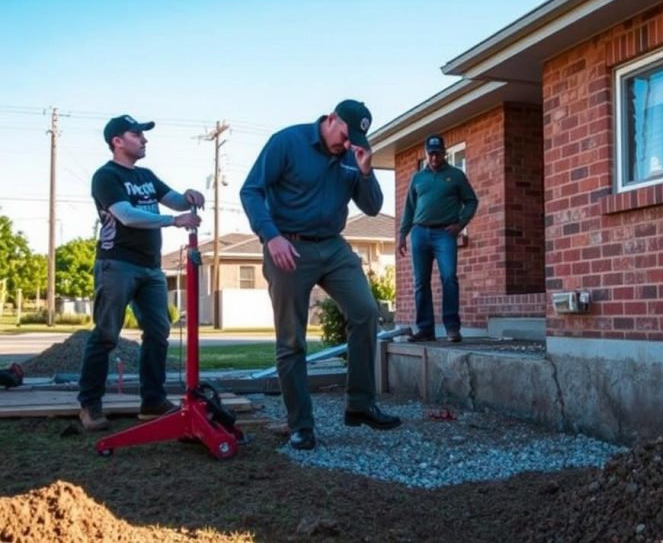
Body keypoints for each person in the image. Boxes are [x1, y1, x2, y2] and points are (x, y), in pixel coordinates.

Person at [240, 99, 401, 451]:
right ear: (331, 119)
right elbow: (250, 190)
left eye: (354, 139)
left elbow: (372, 207)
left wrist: (365, 170)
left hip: (333, 246)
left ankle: (359, 405)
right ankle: (301, 425)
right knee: (291, 340)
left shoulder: (351, 157)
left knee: (366, 312)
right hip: (289, 246)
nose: (347, 144)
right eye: (344, 135)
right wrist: (272, 237)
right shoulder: (288, 142)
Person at [78, 115, 205, 432]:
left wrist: (188, 196)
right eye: (137, 135)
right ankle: (90, 405)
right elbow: (126, 216)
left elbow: (173, 200)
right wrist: (173, 222)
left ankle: (152, 401)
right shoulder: (105, 177)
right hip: (116, 264)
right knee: (106, 334)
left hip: (150, 267)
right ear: (117, 141)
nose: (144, 140)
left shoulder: (147, 175)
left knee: (159, 331)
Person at [397, 134, 478, 343]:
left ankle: (452, 327)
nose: (434, 158)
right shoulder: (417, 178)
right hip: (420, 234)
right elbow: (409, 208)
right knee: (420, 282)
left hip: (445, 234)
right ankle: (425, 329)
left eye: (438, 153)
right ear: (427, 154)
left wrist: (460, 224)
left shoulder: (456, 175)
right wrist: (402, 235)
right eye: (431, 154)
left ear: (444, 153)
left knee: (449, 277)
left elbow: (471, 201)